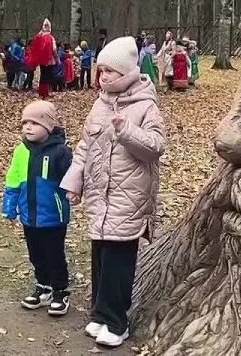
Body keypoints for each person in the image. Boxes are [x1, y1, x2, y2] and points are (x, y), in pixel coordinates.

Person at [60, 36, 165, 348]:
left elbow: (155, 147)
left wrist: (126, 131)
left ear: (127, 73)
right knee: (101, 256)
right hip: (99, 197)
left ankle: (117, 321)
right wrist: (73, 181)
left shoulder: (146, 105)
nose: (102, 76)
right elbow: (85, 147)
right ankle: (100, 314)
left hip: (128, 198)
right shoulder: (99, 104)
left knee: (119, 261)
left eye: (110, 71)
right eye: (100, 70)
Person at [1, 101, 74, 316]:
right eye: (25, 123)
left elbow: (72, 177)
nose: (28, 127)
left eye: (34, 123)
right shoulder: (21, 151)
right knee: (36, 254)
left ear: (49, 126)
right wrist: (9, 206)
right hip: (29, 216)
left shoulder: (61, 152)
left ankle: (60, 290)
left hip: (53, 216)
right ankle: (43, 286)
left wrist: (74, 190)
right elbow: (13, 179)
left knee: (54, 254)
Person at [27, 19, 58, 99]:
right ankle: (47, 92)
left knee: (43, 75)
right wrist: (57, 58)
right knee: (48, 76)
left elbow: (35, 47)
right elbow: (54, 50)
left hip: (42, 60)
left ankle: (41, 92)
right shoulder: (50, 37)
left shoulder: (39, 36)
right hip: (50, 60)